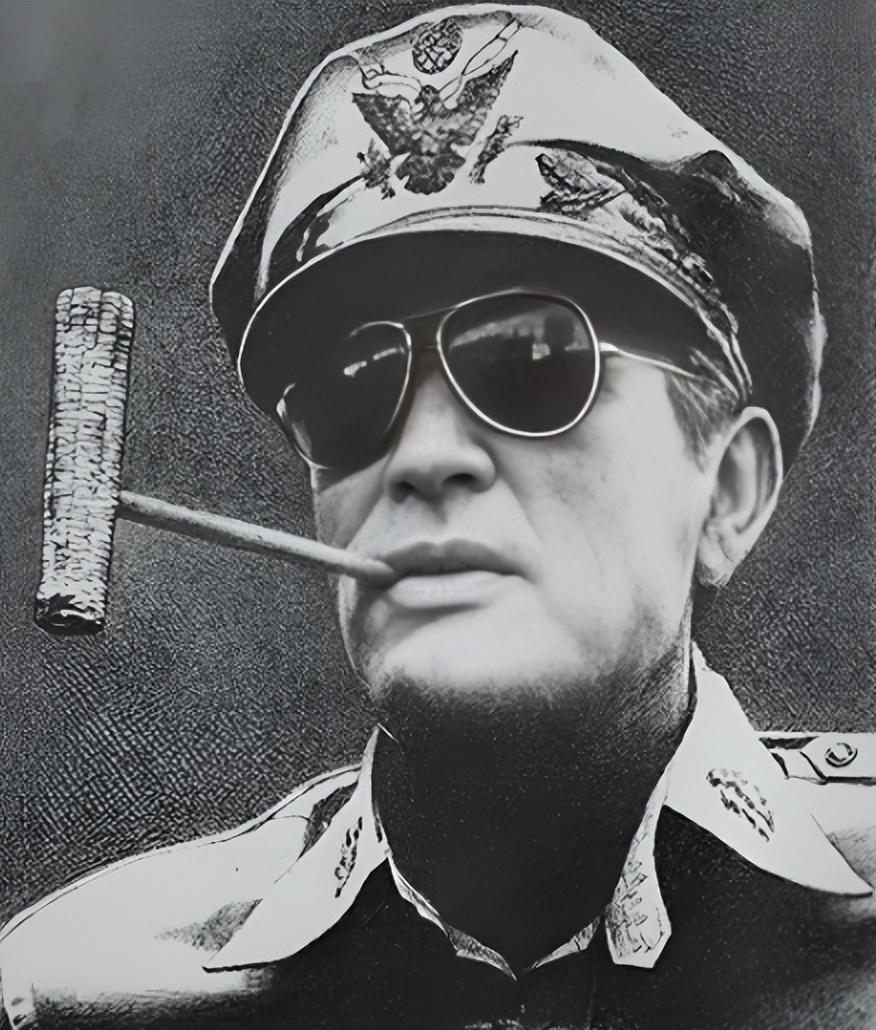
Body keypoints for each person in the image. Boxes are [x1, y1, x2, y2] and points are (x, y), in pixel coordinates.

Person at [1, 4, 873, 1028]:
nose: (419, 458)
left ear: (728, 491)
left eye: (530, 357)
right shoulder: (78, 997)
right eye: (349, 389)